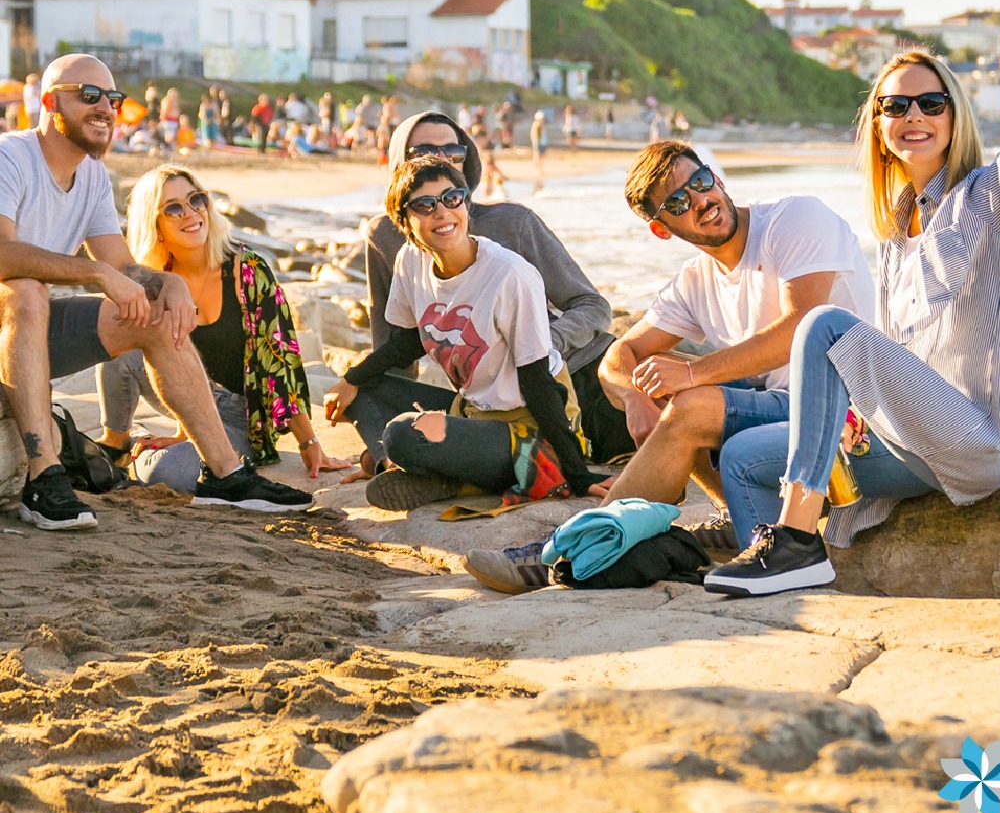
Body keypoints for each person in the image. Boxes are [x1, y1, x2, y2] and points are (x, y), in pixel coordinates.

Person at [704, 47, 1000, 596]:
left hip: (981, 437)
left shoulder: (991, 199)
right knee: (742, 456)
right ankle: (781, 580)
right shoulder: (896, 232)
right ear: (878, 126)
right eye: (896, 106)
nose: (914, 116)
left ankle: (796, 537)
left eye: (931, 103)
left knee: (824, 324)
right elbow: (905, 355)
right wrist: (854, 414)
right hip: (913, 437)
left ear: (954, 114)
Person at [463, 138, 873, 594]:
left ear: (717, 178)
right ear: (662, 229)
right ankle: (732, 515)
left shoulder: (795, 219)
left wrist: (693, 375)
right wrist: (635, 398)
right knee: (655, 375)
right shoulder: (696, 281)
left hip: (850, 409)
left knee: (689, 401)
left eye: (701, 181)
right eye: (678, 202)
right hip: (782, 407)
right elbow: (618, 356)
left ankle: (568, 550)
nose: (701, 200)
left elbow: (801, 327)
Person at [0, 53, 313, 531]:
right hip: (15, 317)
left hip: (30, 333)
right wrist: (97, 274)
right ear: (48, 102)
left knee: (152, 313)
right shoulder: (11, 157)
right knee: (24, 290)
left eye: (112, 99)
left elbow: (121, 265)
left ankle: (225, 474)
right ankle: (44, 477)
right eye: (88, 96)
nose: (104, 108)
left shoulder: (92, 175)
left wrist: (168, 283)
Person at [325, 110, 632, 475]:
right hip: (481, 400)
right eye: (425, 151)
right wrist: (371, 400)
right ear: (398, 164)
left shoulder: (513, 223)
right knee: (364, 392)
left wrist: (533, 345)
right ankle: (398, 460)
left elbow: (593, 307)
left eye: (453, 152)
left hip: (572, 378)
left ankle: (425, 461)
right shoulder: (389, 240)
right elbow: (397, 340)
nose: (441, 160)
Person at [96, 165, 351, 491]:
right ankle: (115, 445)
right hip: (184, 390)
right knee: (117, 335)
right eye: (174, 208)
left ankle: (142, 448)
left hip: (235, 415)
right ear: (154, 224)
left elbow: (280, 360)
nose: (191, 213)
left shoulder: (248, 270)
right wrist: (182, 431)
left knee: (166, 471)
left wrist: (309, 442)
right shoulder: (156, 276)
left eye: (196, 200)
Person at [530, 110, 547, 193]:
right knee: (537, 155)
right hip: (538, 142)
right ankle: (537, 169)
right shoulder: (536, 125)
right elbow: (533, 134)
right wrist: (535, 142)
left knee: (541, 156)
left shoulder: (543, 125)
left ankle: (540, 168)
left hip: (543, 142)